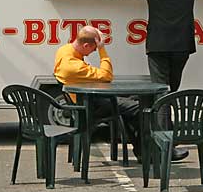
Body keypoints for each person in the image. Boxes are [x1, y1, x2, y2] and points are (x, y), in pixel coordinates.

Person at [123, 0, 203, 161]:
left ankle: (162, 145)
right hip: (182, 46)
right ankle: (164, 141)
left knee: (162, 93)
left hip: (158, 45)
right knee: (170, 91)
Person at [53, 25, 141, 159]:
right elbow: (107, 76)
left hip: (84, 101)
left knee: (134, 102)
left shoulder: (64, 50)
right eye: (94, 48)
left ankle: (142, 149)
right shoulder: (72, 66)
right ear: (86, 45)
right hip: (89, 107)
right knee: (138, 108)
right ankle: (146, 151)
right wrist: (102, 50)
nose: (94, 51)